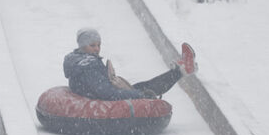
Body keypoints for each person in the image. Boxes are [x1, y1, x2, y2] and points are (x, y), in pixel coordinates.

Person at [63, 28, 197, 101]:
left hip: (102, 93)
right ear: (82, 46)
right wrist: (139, 96)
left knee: (144, 86)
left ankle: (181, 70)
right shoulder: (88, 66)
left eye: (99, 45)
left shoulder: (80, 61)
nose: (97, 49)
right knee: (146, 90)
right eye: (92, 45)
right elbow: (106, 93)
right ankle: (182, 69)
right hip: (106, 98)